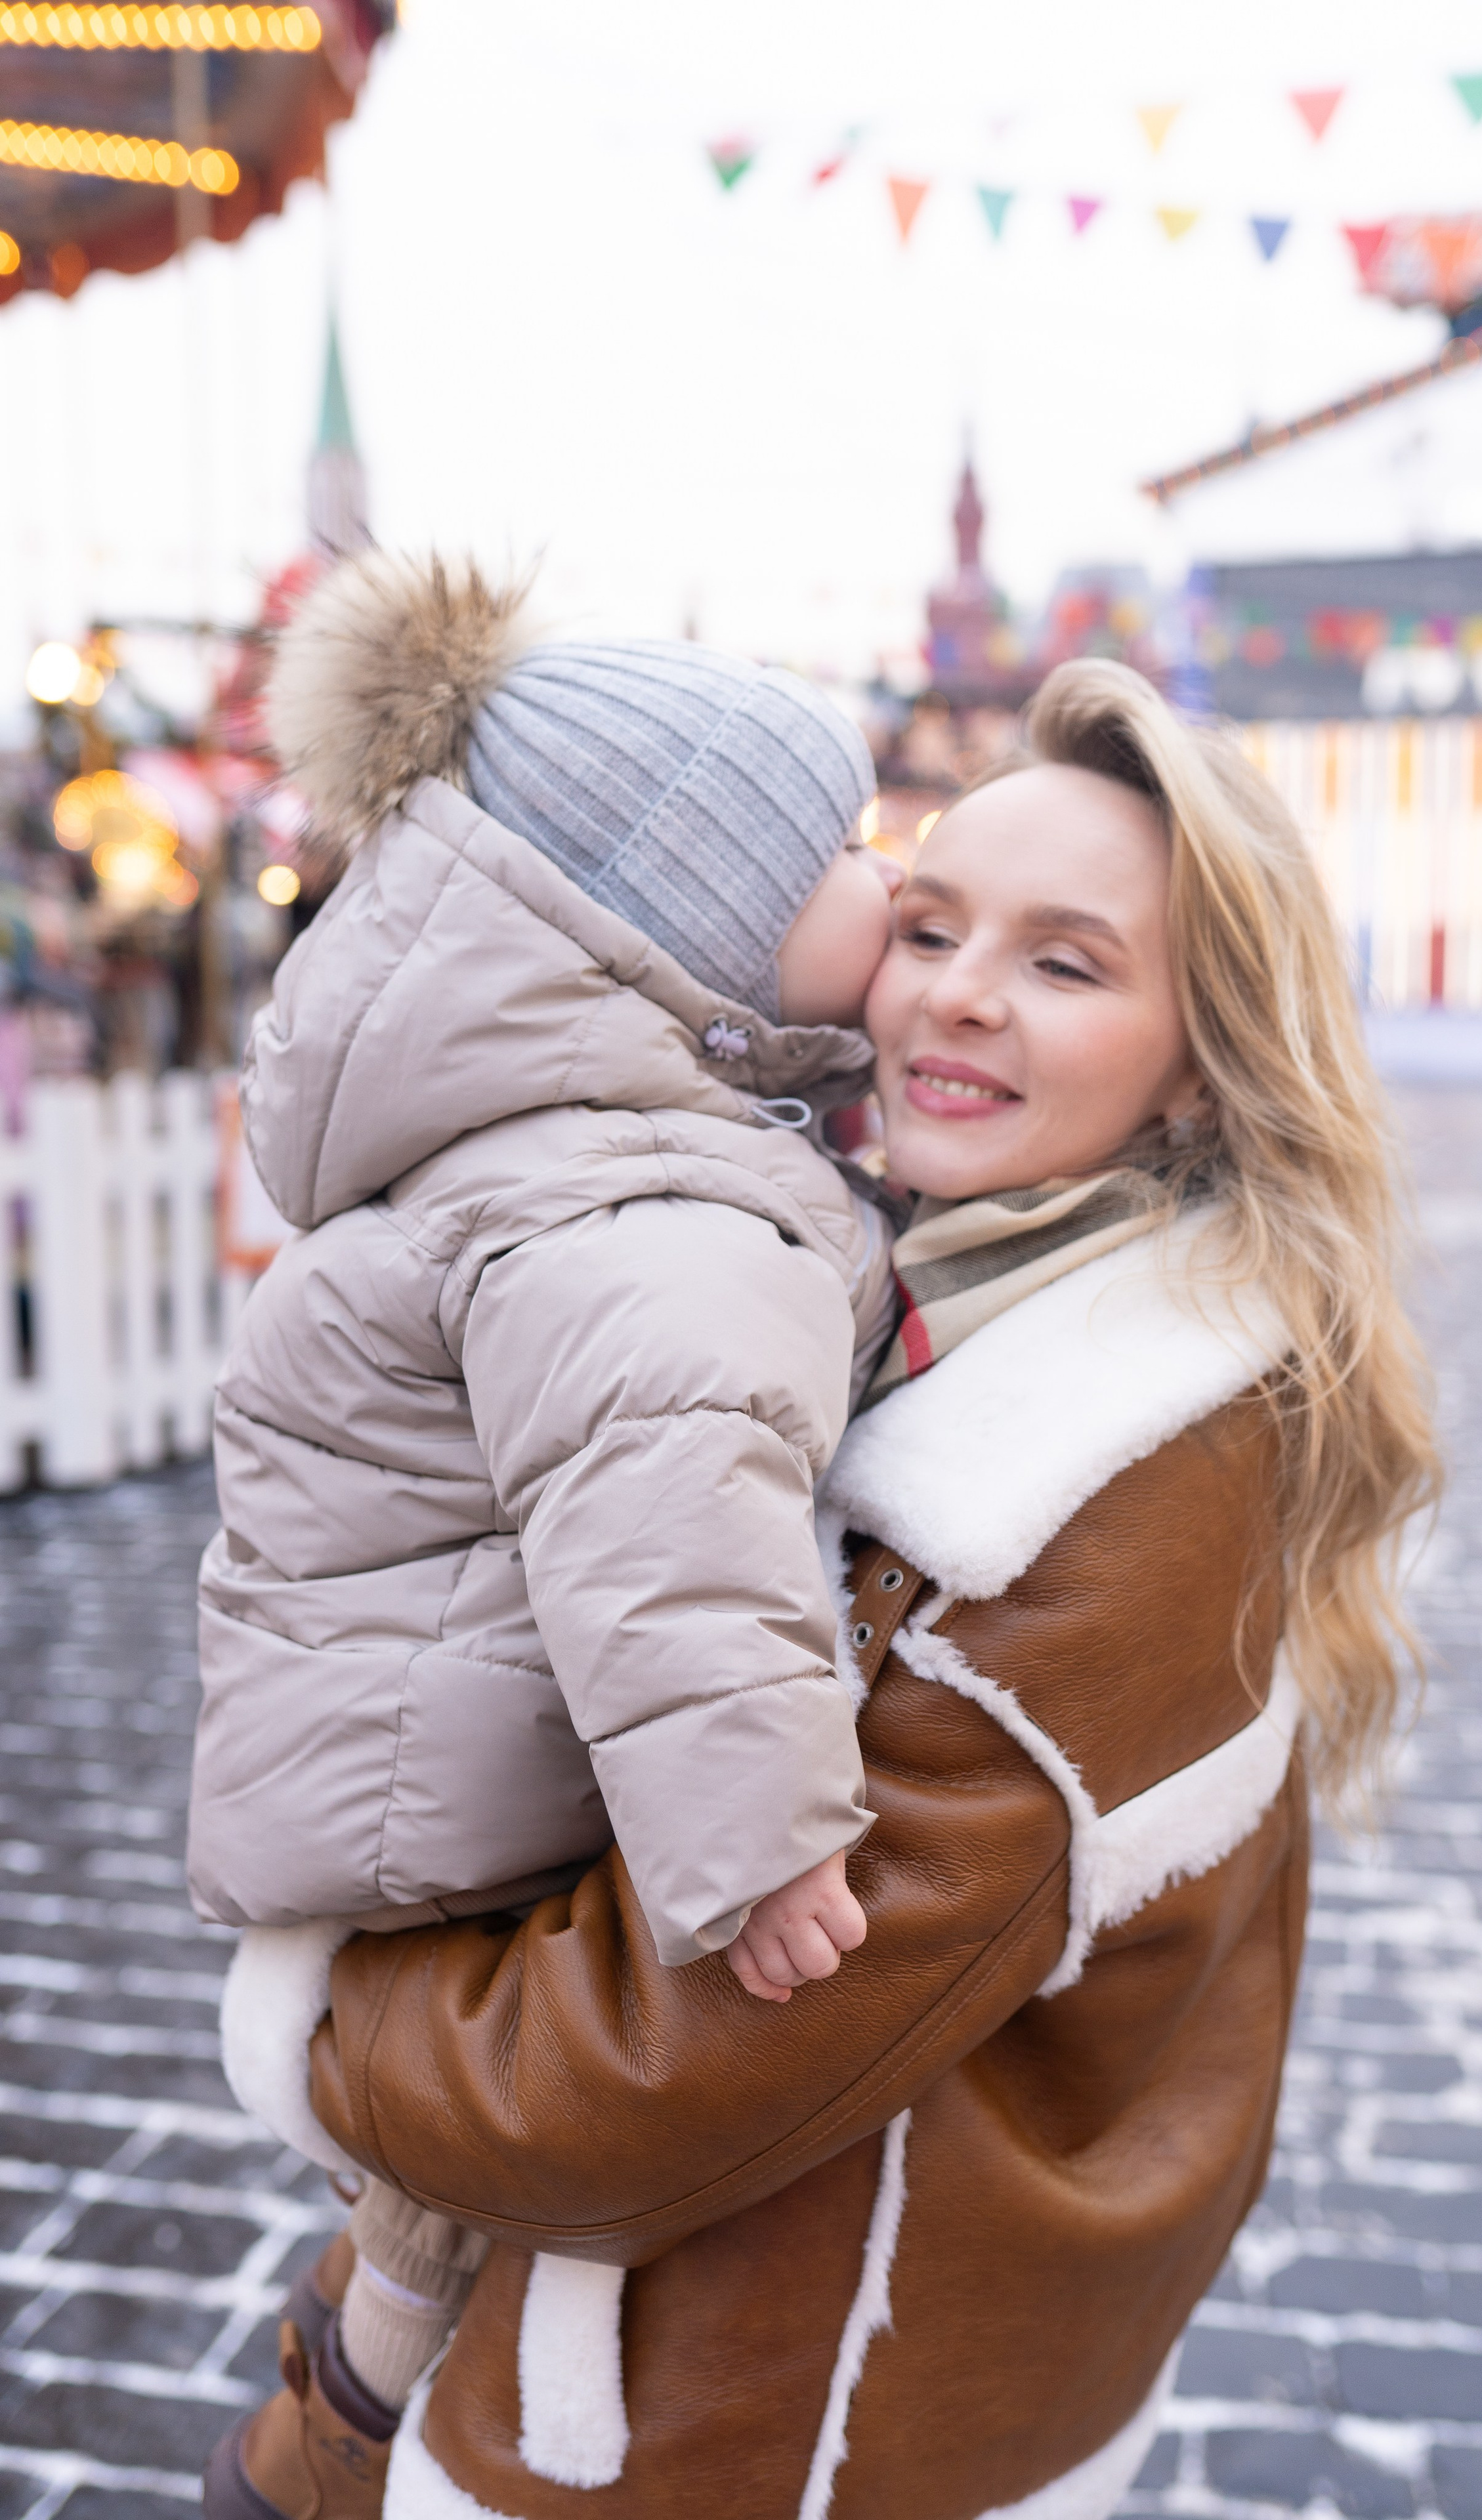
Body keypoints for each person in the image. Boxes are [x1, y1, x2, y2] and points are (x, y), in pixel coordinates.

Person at [215, 658, 1439, 2520]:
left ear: (1204, 1060)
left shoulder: (1067, 1491)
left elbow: (648, 2077)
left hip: (751, 2425)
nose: (957, 992)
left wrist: (326, 2023)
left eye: (1065, 963)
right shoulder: (910, 1284)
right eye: (930, 925)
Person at [192, 555, 918, 2513]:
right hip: (461, 1785)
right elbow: (667, 1501)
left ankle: (345, 2383)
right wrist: (758, 1836)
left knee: (448, 2173)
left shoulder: (576, 1127)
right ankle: (347, 2431)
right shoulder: (639, 1194)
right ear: (699, 926)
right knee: (489, 2169)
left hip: (405, 1729)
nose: (892, 883)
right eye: (845, 853)